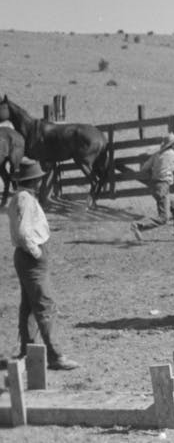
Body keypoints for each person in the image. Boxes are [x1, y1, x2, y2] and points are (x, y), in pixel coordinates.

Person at [8, 158, 79, 370]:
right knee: (45, 305)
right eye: (39, 178)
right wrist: (36, 251)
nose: (41, 181)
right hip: (31, 257)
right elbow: (23, 232)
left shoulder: (20, 197)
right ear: (35, 180)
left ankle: (28, 351)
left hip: (25, 256)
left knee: (29, 306)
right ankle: (55, 356)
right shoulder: (26, 199)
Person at [131, 132, 174, 241]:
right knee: (164, 218)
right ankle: (138, 225)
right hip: (163, 187)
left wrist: (157, 170)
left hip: (155, 186)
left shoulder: (157, 154)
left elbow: (144, 168)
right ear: (172, 144)